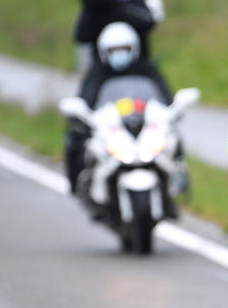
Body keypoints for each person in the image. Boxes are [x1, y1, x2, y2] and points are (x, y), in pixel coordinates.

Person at [63, 21, 172, 194]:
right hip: (111, 130)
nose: (119, 55)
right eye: (114, 51)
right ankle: (78, 185)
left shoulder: (145, 68)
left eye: (124, 49)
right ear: (104, 52)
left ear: (133, 49)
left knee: (172, 140)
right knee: (75, 139)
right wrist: (83, 114)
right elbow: (86, 101)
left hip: (143, 126)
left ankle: (175, 182)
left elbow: (165, 98)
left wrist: (169, 111)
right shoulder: (97, 73)